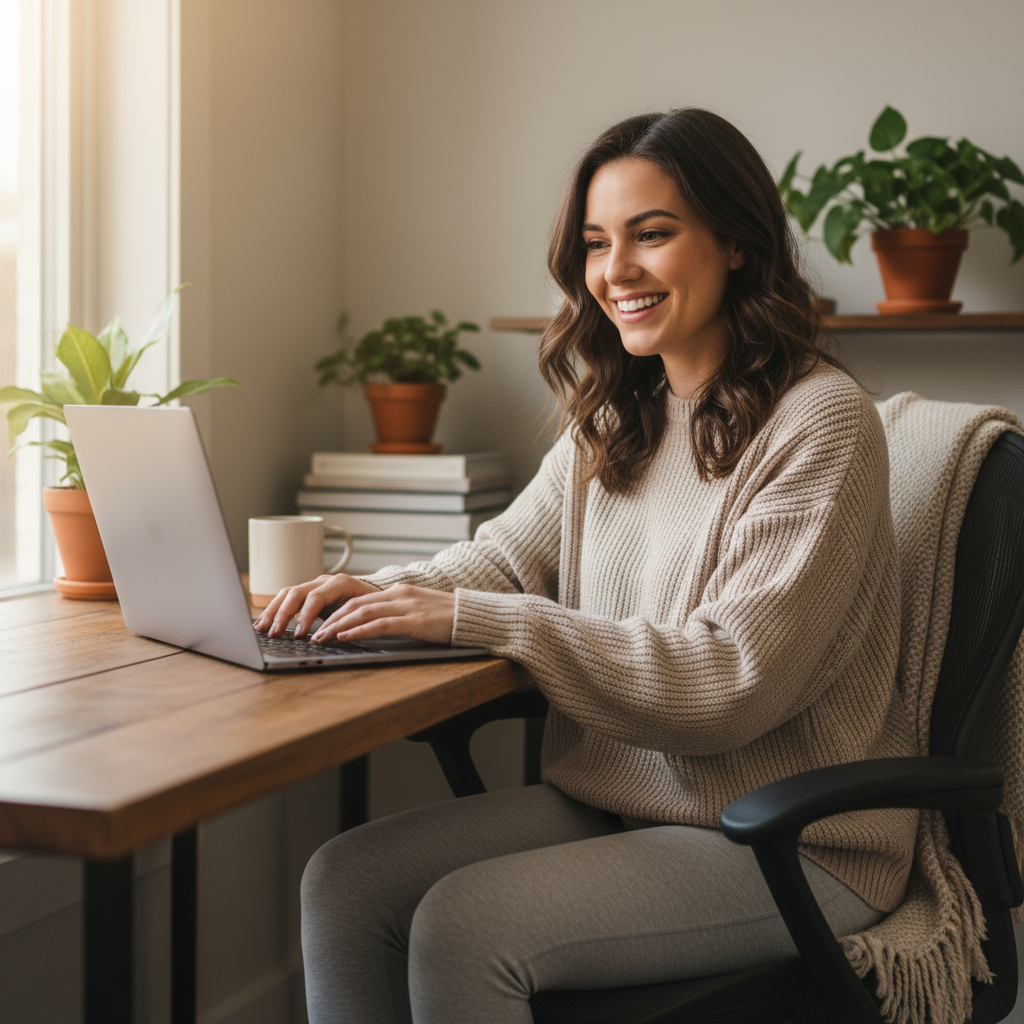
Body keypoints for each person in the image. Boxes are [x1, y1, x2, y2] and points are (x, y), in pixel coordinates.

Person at [255, 108, 915, 1024]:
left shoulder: (822, 423)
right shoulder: (616, 417)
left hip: (789, 835)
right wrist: (386, 593)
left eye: (653, 234)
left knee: (462, 926)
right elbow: (506, 561)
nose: (617, 272)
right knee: (347, 882)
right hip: (628, 799)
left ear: (735, 241)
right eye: (598, 244)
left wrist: (474, 621)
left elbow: (728, 680)